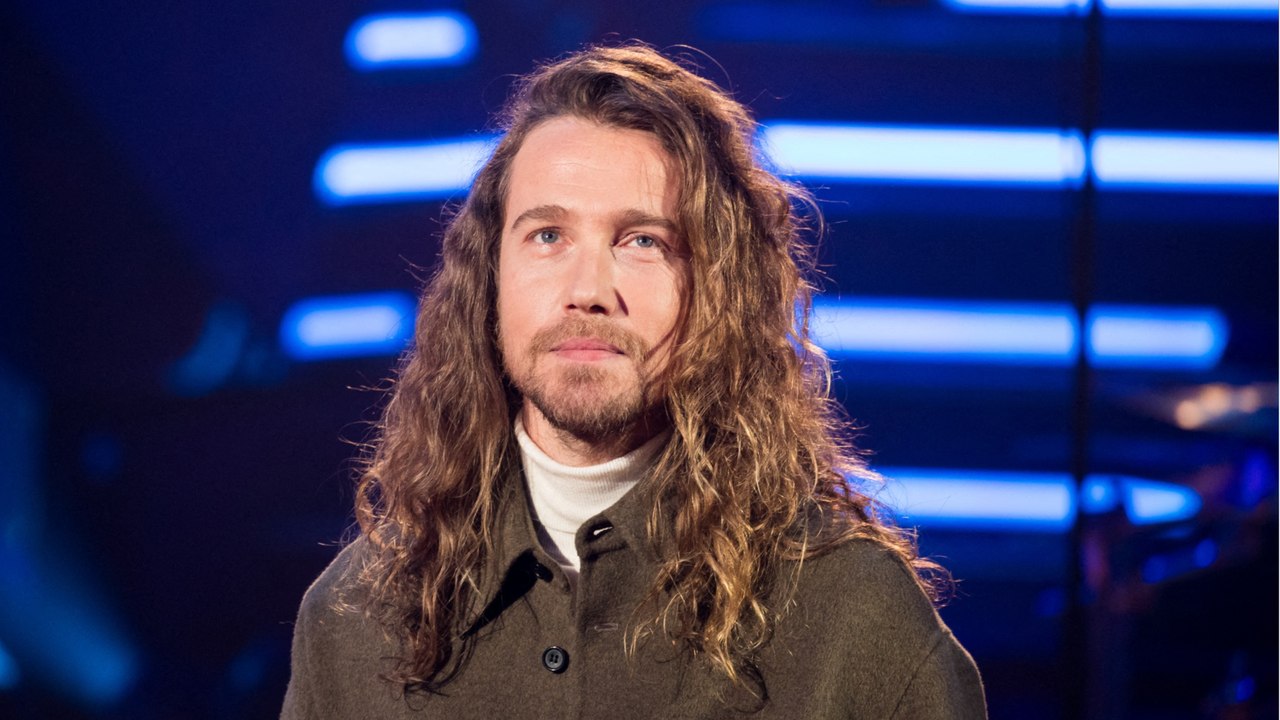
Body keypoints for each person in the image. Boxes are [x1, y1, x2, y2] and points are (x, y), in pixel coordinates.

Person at [281, 42, 986, 719]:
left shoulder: (854, 618)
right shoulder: (354, 620)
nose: (588, 290)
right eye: (548, 236)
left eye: (641, 241)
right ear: (490, 279)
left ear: (718, 289)